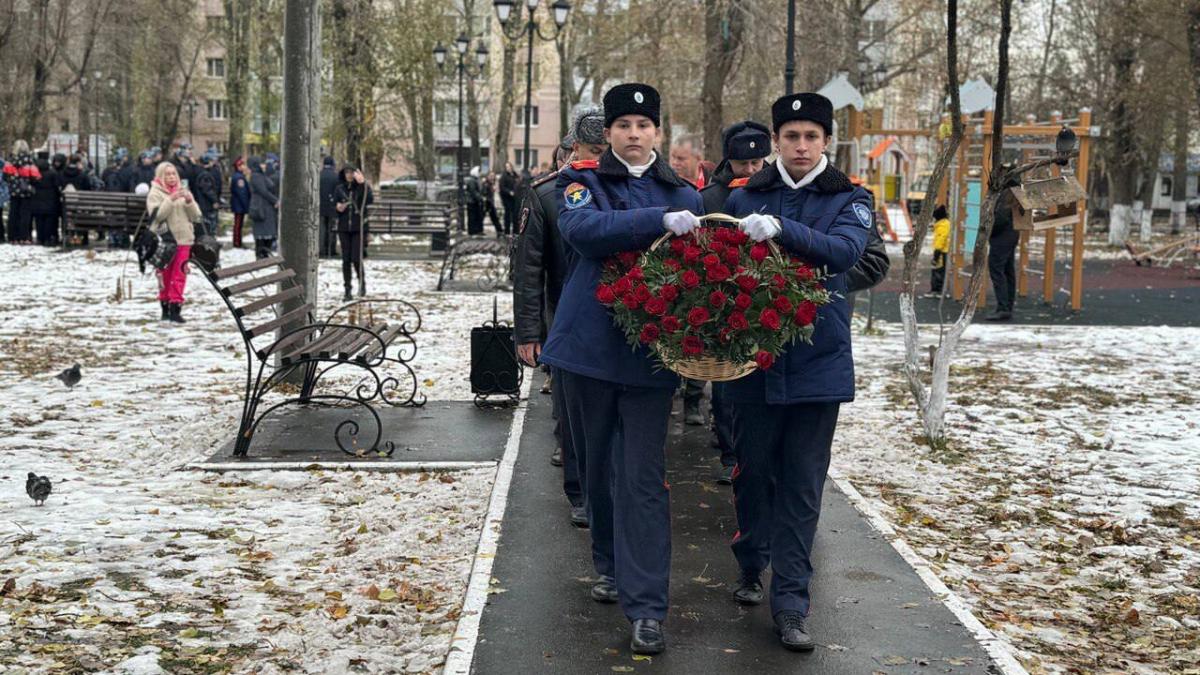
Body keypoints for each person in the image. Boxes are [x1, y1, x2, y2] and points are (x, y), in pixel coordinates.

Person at [540, 83, 702, 656]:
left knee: (642, 479)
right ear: (608, 133)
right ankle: (608, 563)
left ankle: (648, 607)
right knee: (597, 468)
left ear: (658, 131)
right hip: (587, 351)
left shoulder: (686, 191)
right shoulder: (580, 182)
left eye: (644, 124)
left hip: (650, 356)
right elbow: (585, 234)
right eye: (624, 125)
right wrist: (660, 219)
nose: (634, 134)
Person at [720, 92, 872, 652]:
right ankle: (749, 559)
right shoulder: (745, 197)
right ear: (777, 141)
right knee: (753, 472)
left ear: (826, 141)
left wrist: (782, 231)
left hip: (816, 364)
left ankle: (791, 604)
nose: (801, 146)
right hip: (752, 363)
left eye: (812, 136)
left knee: (803, 486)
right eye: (791, 136)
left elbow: (845, 252)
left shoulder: (851, 198)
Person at [513, 105, 607, 528]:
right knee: (571, 418)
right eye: (589, 148)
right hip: (564, 320)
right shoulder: (547, 193)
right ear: (571, 148)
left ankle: (609, 489)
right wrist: (529, 331)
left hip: (620, 321)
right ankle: (581, 493)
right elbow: (529, 269)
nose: (597, 158)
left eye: (604, 149)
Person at [699, 120, 773, 482]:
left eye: (758, 164)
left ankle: (756, 453)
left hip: (768, 299)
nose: (751, 171)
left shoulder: (772, 188)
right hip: (725, 297)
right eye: (744, 165)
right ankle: (730, 453)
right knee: (727, 384)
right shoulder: (712, 196)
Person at [146, 162, 201, 324]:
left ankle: (176, 308)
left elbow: (197, 217)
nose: (171, 177)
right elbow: (157, 216)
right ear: (161, 176)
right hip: (165, 241)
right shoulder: (155, 193)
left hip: (184, 239)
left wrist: (190, 201)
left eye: (173, 174)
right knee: (164, 275)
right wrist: (170, 199)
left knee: (179, 274)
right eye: (167, 174)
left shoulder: (183, 190)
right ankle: (165, 308)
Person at [334, 165, 374, 301]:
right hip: (344, 228)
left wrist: (362, 184)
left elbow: (369, 200)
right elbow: (334, 205)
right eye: (347, 172)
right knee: (346, 260)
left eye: (352, 172)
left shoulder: (361, 188)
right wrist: (338, 208)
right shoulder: (339, 189)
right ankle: (347, 289)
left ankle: (362, 283)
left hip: (358, 228)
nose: (349, 175)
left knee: (356, 258)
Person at [986, 179, 1019, 321]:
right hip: (1012, 235)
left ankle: (1003, 307)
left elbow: (999, 218)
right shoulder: (1017, 194)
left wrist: (989, 231)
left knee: (997, 270)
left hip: (1001, 238)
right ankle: (1008, 305)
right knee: (1008, 271)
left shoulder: (1005, 196)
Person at [4, 141, 39, 244]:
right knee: (25, 215)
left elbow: (5, 177)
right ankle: (24, 237)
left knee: (13, 214)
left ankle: (12, 237)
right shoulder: (30, 161)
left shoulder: (10, 161)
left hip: (14, 192)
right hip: (26, 192)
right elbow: (35, 177)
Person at [247, 155, 279, 259]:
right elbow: (263, 191)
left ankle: (265, 253)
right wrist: (275, 200)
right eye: (262, 163)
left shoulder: (261, 175)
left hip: (266, 207)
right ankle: (261, 254)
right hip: (261, 208)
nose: (264, 165)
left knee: (268, 232)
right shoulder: (256, 176)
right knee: (262, 233)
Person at [30, 153, 61, 246]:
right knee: (49, 219)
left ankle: (40, 238)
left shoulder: (35, 172)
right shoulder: (52, 173)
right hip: (50, 198)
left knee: (39, 219)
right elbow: (57, 186)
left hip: (37, 198)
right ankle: (47, 238)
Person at [191, 152, 220, 237]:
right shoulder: (205, 175)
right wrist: (214, 200)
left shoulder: (199, 172)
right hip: (207, 204)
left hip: (203, 203)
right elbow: (207, 189)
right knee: (210, 227)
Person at [319, 156, 339, 257]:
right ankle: (331, 249)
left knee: (321, 229)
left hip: (320, 207)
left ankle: (321, 249)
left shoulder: (319, 175)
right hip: (332, 207)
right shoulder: (336, 176)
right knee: (332, 229)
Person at [928, 204, 950, 296]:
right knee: (939, 270)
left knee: (938, 270)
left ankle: (937, 289)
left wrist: (936, 252)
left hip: (941, 251)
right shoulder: (943, 224)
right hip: (942, 250)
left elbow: (941, 239)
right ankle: (938, 289)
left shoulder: (942, 226)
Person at [229, 158, 251, 248]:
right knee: (238, 225)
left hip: (238, 205)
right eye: (242, 165)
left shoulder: (239, 176)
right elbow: (242, 193)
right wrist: (246, 206)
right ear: (238, 167)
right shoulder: (239, 178)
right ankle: (237, 242)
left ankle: (238, 241)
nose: (244, 167)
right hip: (239, 205)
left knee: (239, 224)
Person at [499, 161, 520, 235]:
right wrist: (509, 192)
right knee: (507, 214)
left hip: (515, 198)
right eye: (507, 167)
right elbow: (502, 187)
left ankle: (515, 231)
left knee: (515, 214)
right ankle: (507, 231)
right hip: (507, 198)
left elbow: (519, 182)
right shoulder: (504, 176)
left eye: (509, 166)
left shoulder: (515, 174)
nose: (508, 168)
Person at [465, 166, 484, 235]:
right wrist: (480, 198)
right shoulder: (472, 180)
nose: (480, 173)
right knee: (472, 217)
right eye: (479, 172)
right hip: (472, 202)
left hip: (474, 201)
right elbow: (473, 191)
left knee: (475, 216)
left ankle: (475, 230)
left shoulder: (475, 180)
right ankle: (472, 231)